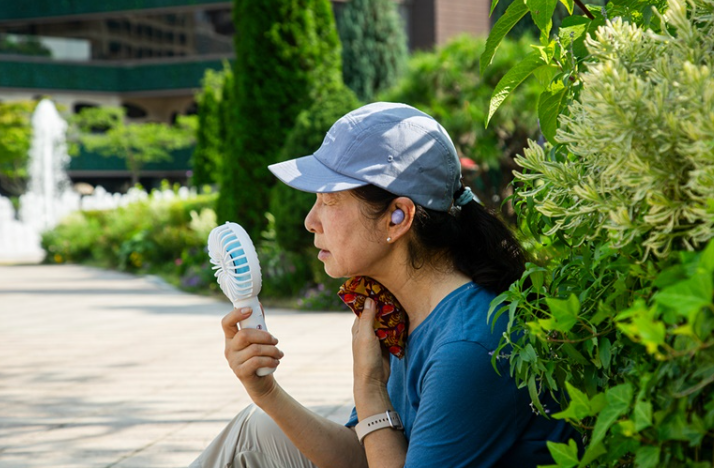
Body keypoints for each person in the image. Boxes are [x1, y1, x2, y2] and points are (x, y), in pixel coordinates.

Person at [190, 102, 575, 468]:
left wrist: (371, 391)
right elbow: (367, 456)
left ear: (397, 217)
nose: (311, 220)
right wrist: (266, 392)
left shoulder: (467, 347)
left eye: (329, 200)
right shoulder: (398, 309)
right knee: (255, 430)